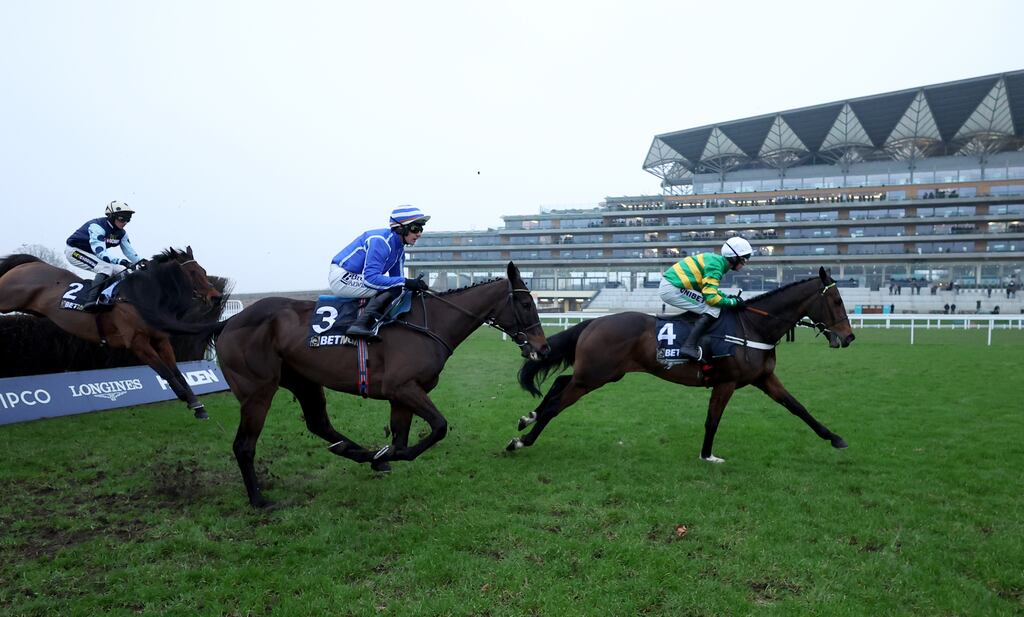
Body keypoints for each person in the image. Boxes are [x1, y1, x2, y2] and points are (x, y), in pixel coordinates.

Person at [328, 205, 431, 340]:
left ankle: (379, 323)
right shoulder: (380, 241)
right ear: (400, 228)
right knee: (392, 288)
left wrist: (414, 285)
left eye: (421, 229)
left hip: (359, 277)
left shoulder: (399, 250)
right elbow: (370, 279)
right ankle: (359, 325)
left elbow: (398, 281)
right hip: (342, 276)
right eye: (415, 228)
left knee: (398, 289)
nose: (419, 233)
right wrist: (406, 282)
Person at [658, 236, 752, 361]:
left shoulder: (716, 261)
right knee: (713, 309)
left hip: (674, 285)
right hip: (672, 288)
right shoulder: (716, 266)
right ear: (734, 258)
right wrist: (733, 302)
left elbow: (709, 289)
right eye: (743, 260)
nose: (744, 264)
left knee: (714, 306)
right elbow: (711, 298)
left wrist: (727, 297)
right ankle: (688, 346)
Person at [65, 200, 142, 311]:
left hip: (92, 254)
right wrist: (122, 261)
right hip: (75, 251)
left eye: (128, 219)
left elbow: (130, 252)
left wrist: (141, 262)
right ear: (111, 216)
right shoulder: (97, 227)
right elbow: (101, 253)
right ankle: (90, 301)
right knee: (106, 268)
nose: (125, 222)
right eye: (122, 218)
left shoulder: (122, 233)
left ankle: (109, 298)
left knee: (123, 272)